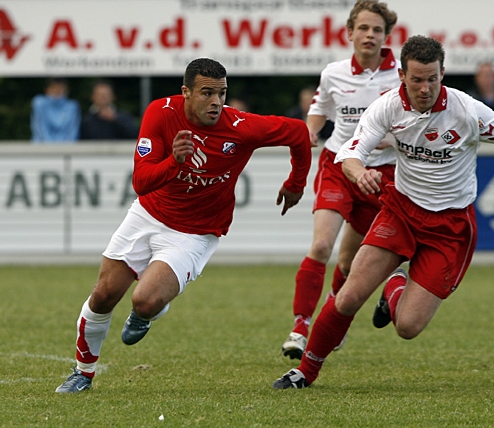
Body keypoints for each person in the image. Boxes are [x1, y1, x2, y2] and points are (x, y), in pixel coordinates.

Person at [273, 35, 494, 389]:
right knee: (350, 295)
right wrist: (361, 173)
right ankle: (304, 372)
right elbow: (350, 153)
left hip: (450, 227)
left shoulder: (467, 111)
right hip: (400, 212)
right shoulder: (387, 107)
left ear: (443, 74)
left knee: (407, 327)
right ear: (402, 75)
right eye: (417, 79)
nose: (425, 88)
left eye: (432, 79)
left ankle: (395, 284)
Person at [55, 57, 313, 393]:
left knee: (144, 300)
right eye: (207, 93)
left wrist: (296, 182)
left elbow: (299, 133)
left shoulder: (239, 126)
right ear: (186, 93)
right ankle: (82, 373)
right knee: (103, 295)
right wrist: (173, 162)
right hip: (148, 215)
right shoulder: (160, 113)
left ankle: (148, 312)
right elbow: (141, 182)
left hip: (195, 233)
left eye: (221, 93)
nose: (216, 102)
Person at [280, 0, 400, 360]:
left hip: (380, 174)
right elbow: (319, 112)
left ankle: (330, 320)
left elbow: (421, 123)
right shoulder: (333, 73)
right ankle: (300, 328)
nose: (369, 35)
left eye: (377, 30)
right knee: (320, 246)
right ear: (350, 33)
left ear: (385, 36)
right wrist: (309, 134)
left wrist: (391, 139)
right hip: (338, 164)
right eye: (363, 28)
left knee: (349, 264)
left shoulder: (402, 76)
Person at [30, 78, 81, 143]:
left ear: (67, 90)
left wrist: (64, 149)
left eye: (60, 88)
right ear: (46, 90)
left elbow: (72, 132)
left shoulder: (72, 107)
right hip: (42, 147)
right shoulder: (39, 104)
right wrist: (50, 149)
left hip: (66, 149)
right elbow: (40, 129)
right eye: (53, 88)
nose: (56, 91)